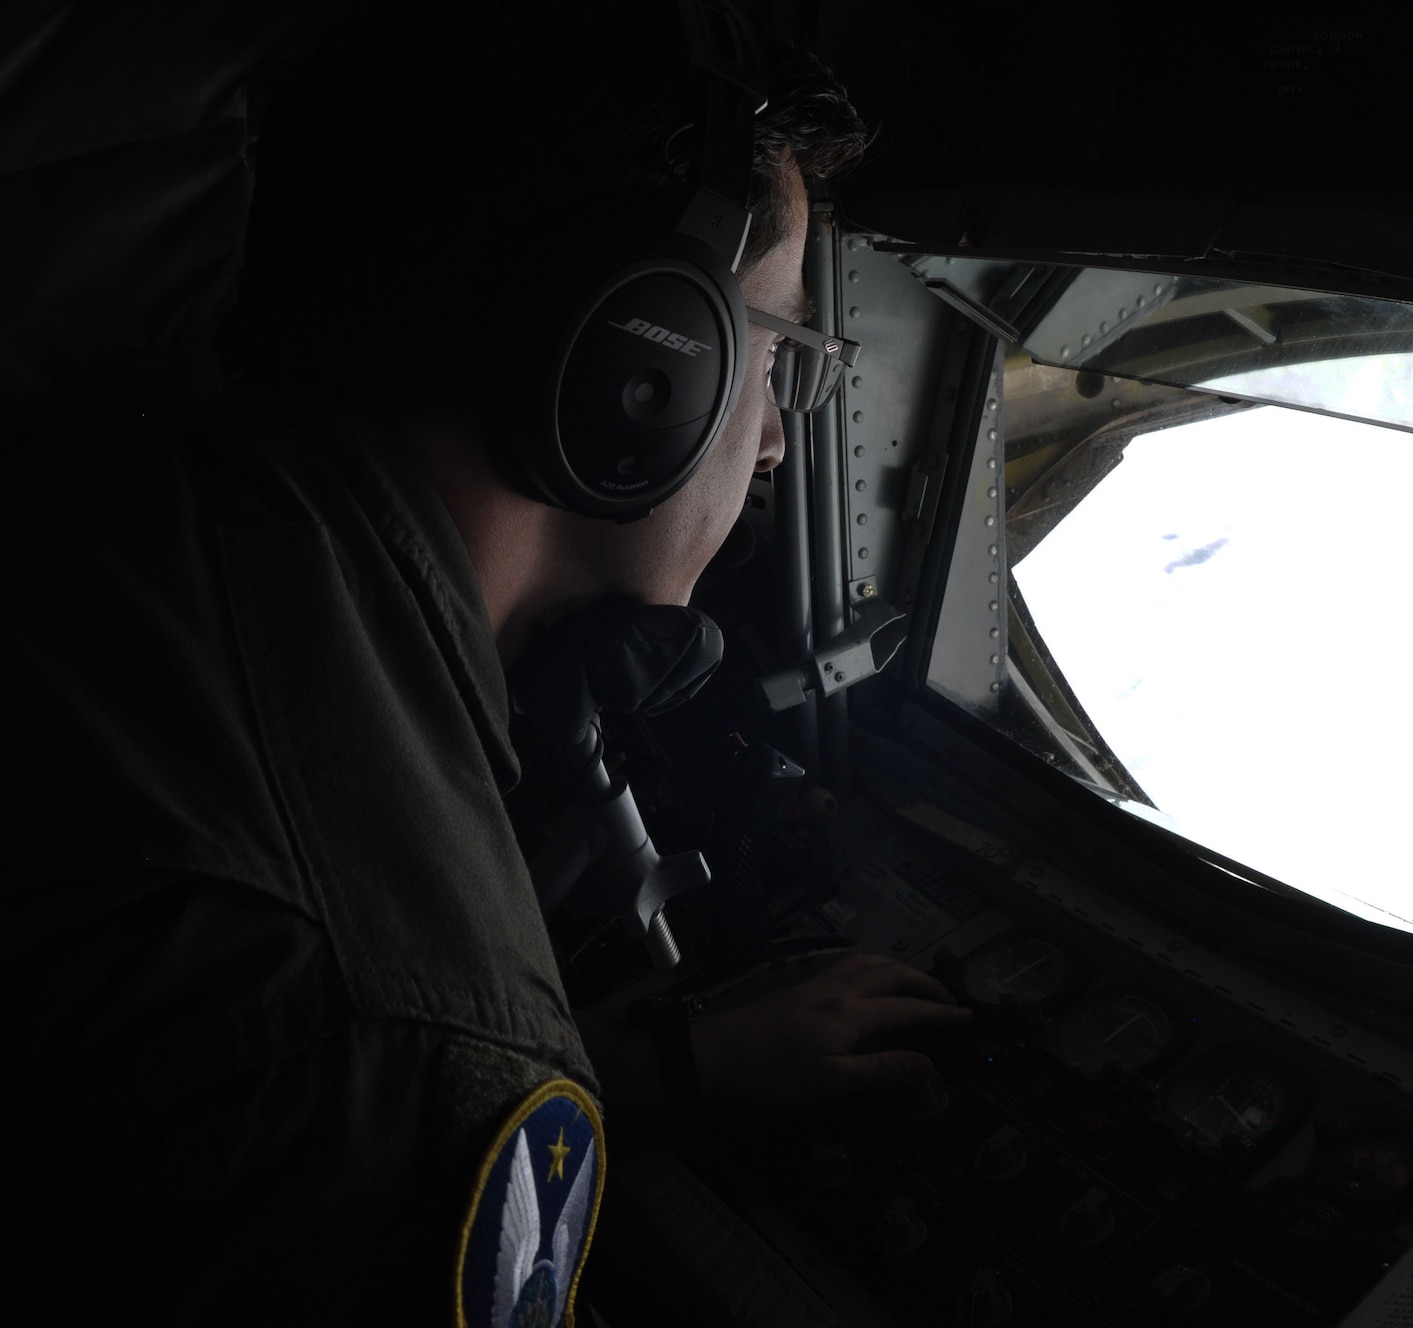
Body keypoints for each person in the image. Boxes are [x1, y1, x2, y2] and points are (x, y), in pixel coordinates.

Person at [2, 2, 965, 1321]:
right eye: (785, 358)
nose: (781, 446)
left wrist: (656, 1067)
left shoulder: (134, 512)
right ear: (644, 356)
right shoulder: (401, 1050)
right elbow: (362, 1061)